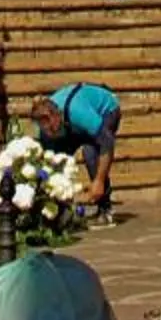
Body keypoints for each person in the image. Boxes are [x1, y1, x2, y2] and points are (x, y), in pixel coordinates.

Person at [34, 82, 123, 218]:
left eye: (53, 129)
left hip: (106, 109)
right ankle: (61, 209)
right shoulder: (43, 130)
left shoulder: (79, 113)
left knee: (90, 152)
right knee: (56, 157)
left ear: (57, 115)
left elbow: (107, 143)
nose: (50, 133)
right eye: (47, 131)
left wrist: (99, 181)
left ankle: (105, 207)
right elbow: (49, 161)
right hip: (72, 122)